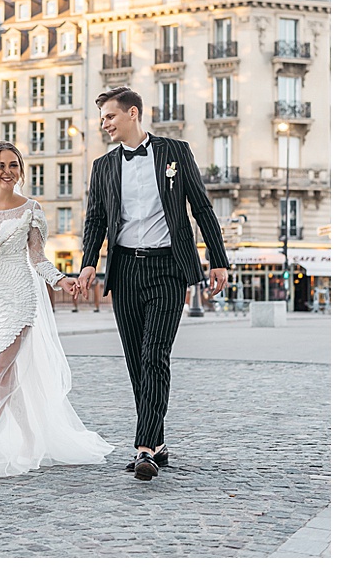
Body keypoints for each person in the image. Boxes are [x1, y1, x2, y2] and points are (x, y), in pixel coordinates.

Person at [78, 86, 229, 481]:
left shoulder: (174, 152)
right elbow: (95, 219)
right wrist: (88, 264)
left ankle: (143, 447)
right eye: (102, 118)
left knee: (154, 354)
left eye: (110, 116)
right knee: (135, 362)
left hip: (167, 268)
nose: (104, 124)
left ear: (132, 113)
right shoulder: (104, 166)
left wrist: (218, 259)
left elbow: (201, 207)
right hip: (125, 270)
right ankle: (158, 445)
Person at [0, 141, 113, 480]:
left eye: (14, 165)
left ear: (21, 171)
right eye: (0, 165)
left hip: (18, 296)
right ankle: (30, 438)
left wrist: (61, 281)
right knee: (6, 377)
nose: (7, 171)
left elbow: (37, 259)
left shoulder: (30, 209)